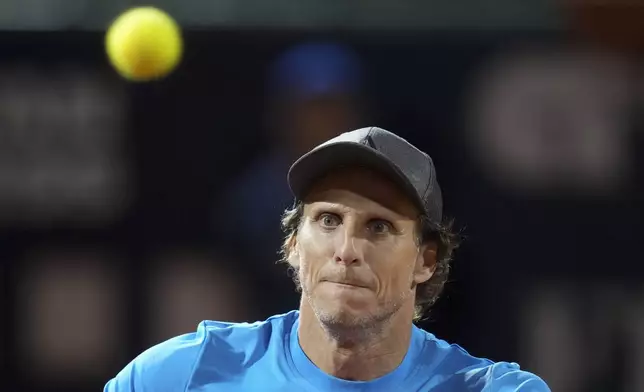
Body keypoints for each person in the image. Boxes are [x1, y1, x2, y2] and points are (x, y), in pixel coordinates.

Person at [105, 127, 550, 391]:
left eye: (379, 227)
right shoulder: (183, 375)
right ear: (294, 245)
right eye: (328, 219)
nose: (347, 250)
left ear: (426, 260)